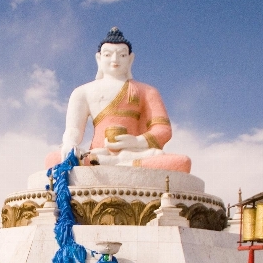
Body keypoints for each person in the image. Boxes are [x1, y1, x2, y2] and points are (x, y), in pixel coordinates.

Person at [46, 27, 191, 173]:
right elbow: (73, 130)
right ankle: (120, 164)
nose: (114, 60)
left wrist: (136, 141)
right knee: (54, 159)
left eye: (121, 55)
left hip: (135, 153)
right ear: (99, 58)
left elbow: (163, 130)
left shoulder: (147, 91)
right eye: (108, 55)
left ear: (130, 59)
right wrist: (70, 144)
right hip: (97, 154)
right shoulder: (82, 92)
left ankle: (121, 162)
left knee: (182, 162)